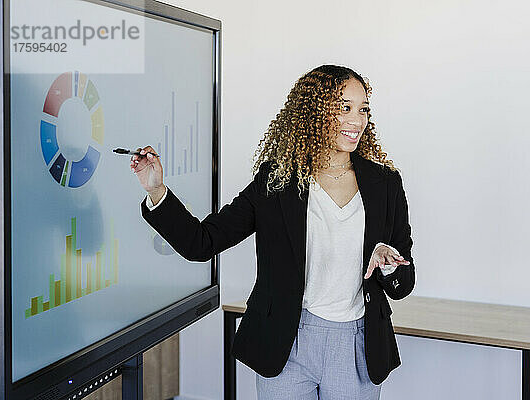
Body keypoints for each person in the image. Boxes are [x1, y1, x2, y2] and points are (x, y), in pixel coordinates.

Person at [130, 64, 415, 399]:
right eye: (344, 108)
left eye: (363, 109)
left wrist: (389, 264)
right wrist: (157, 191)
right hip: (286, 344)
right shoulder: (276, 182)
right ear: (314, 113)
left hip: (356, 344)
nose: (356, 120)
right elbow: (201, 242)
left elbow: (402, 284)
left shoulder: (385, 185)